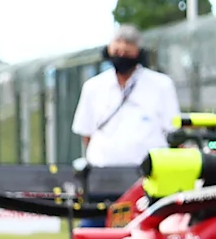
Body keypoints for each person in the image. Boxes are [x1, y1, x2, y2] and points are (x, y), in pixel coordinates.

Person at [70, 27, 180, 165]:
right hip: (102, 171)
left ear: (139, 54)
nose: (121, 56)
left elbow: (172, 130)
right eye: (117, 52)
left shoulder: (161, 85)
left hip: (148, 173)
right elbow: (86, 133)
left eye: (127, 53)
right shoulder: (93, 87)